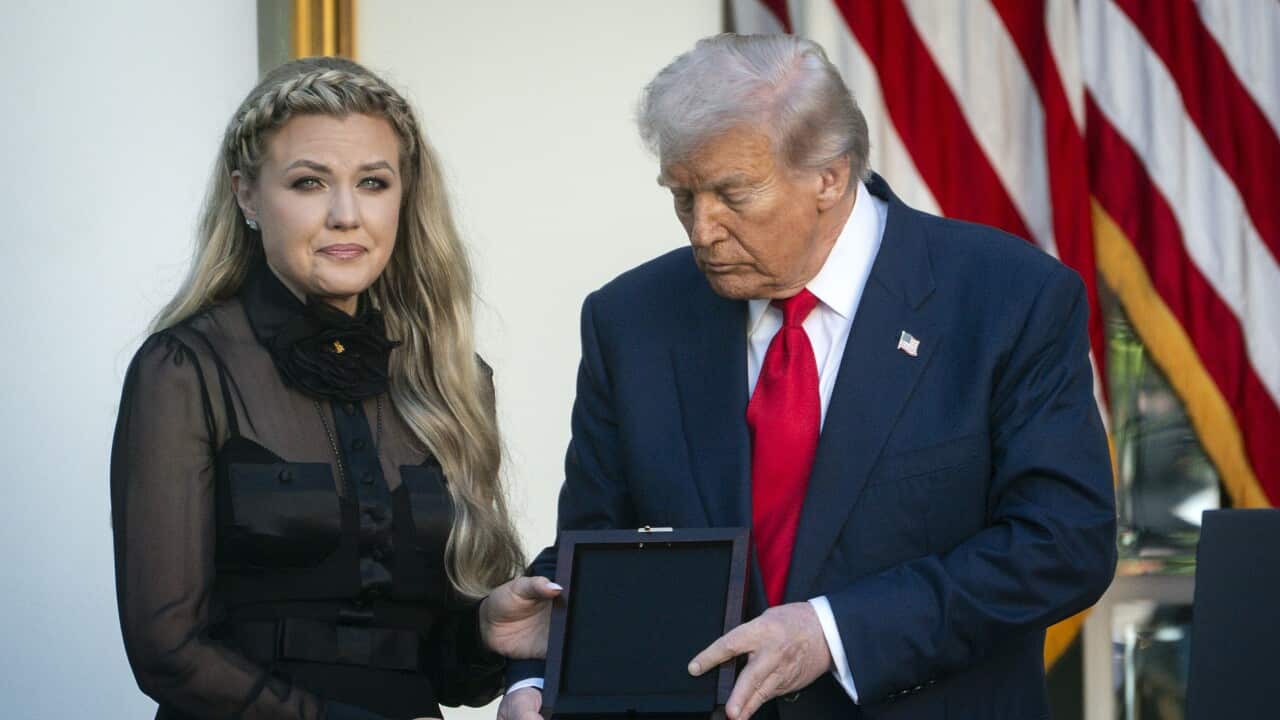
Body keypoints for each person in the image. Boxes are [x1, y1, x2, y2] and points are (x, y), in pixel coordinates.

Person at [499, 34, 1116, 720]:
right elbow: (596, 553)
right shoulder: (631, 320)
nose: (702, 230)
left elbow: (1063, 544)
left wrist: (834, 632)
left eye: (733, 194)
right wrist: (533, 680)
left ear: (830, 175)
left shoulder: (1007, 299)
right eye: (683, 196)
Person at [111, 57, 558, 720]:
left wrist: (487, 629)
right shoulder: (184, 368)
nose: (346, 215)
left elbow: (447, 674)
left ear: (403, 196)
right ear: (246, 196)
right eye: (309, 182)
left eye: (373, 182)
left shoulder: (455, 377)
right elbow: (167, 650)